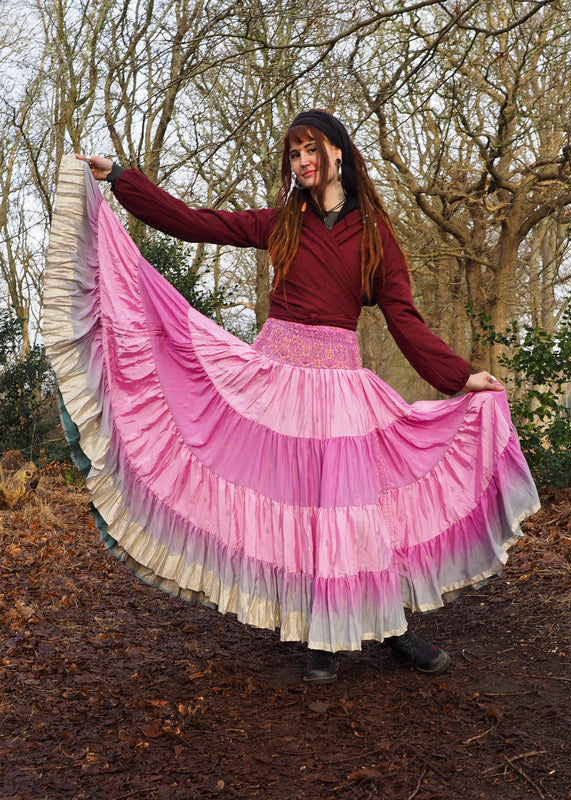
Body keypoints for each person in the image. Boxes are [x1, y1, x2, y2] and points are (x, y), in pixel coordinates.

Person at [45, 109, 539, 686]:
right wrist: (120, 179)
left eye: (311, 149)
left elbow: (404, 319)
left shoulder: (374, 234)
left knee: (356, 513)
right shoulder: (283, 222)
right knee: (298, 512)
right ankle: (319, 638)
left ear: (338, 153)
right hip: (275, 386)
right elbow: (194, 222)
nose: (302, 161)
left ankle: (392, 627)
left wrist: (460, 377)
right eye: (294, 152)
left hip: (339, 388)